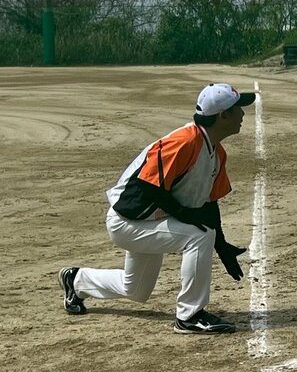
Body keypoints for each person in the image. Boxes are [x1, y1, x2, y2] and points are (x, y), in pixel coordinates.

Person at [58, 82, 255, 335]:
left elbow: (209, 203)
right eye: (238, 108)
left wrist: (222, 245)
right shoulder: (183, 142)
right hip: (127, 221)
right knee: (200, 234)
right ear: (223, 115)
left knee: (136, 289)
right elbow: (148, 186)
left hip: (150, 221)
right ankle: (190, 316)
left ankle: (76, 281)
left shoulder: (216, 153)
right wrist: (187, 216)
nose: (243, 114)